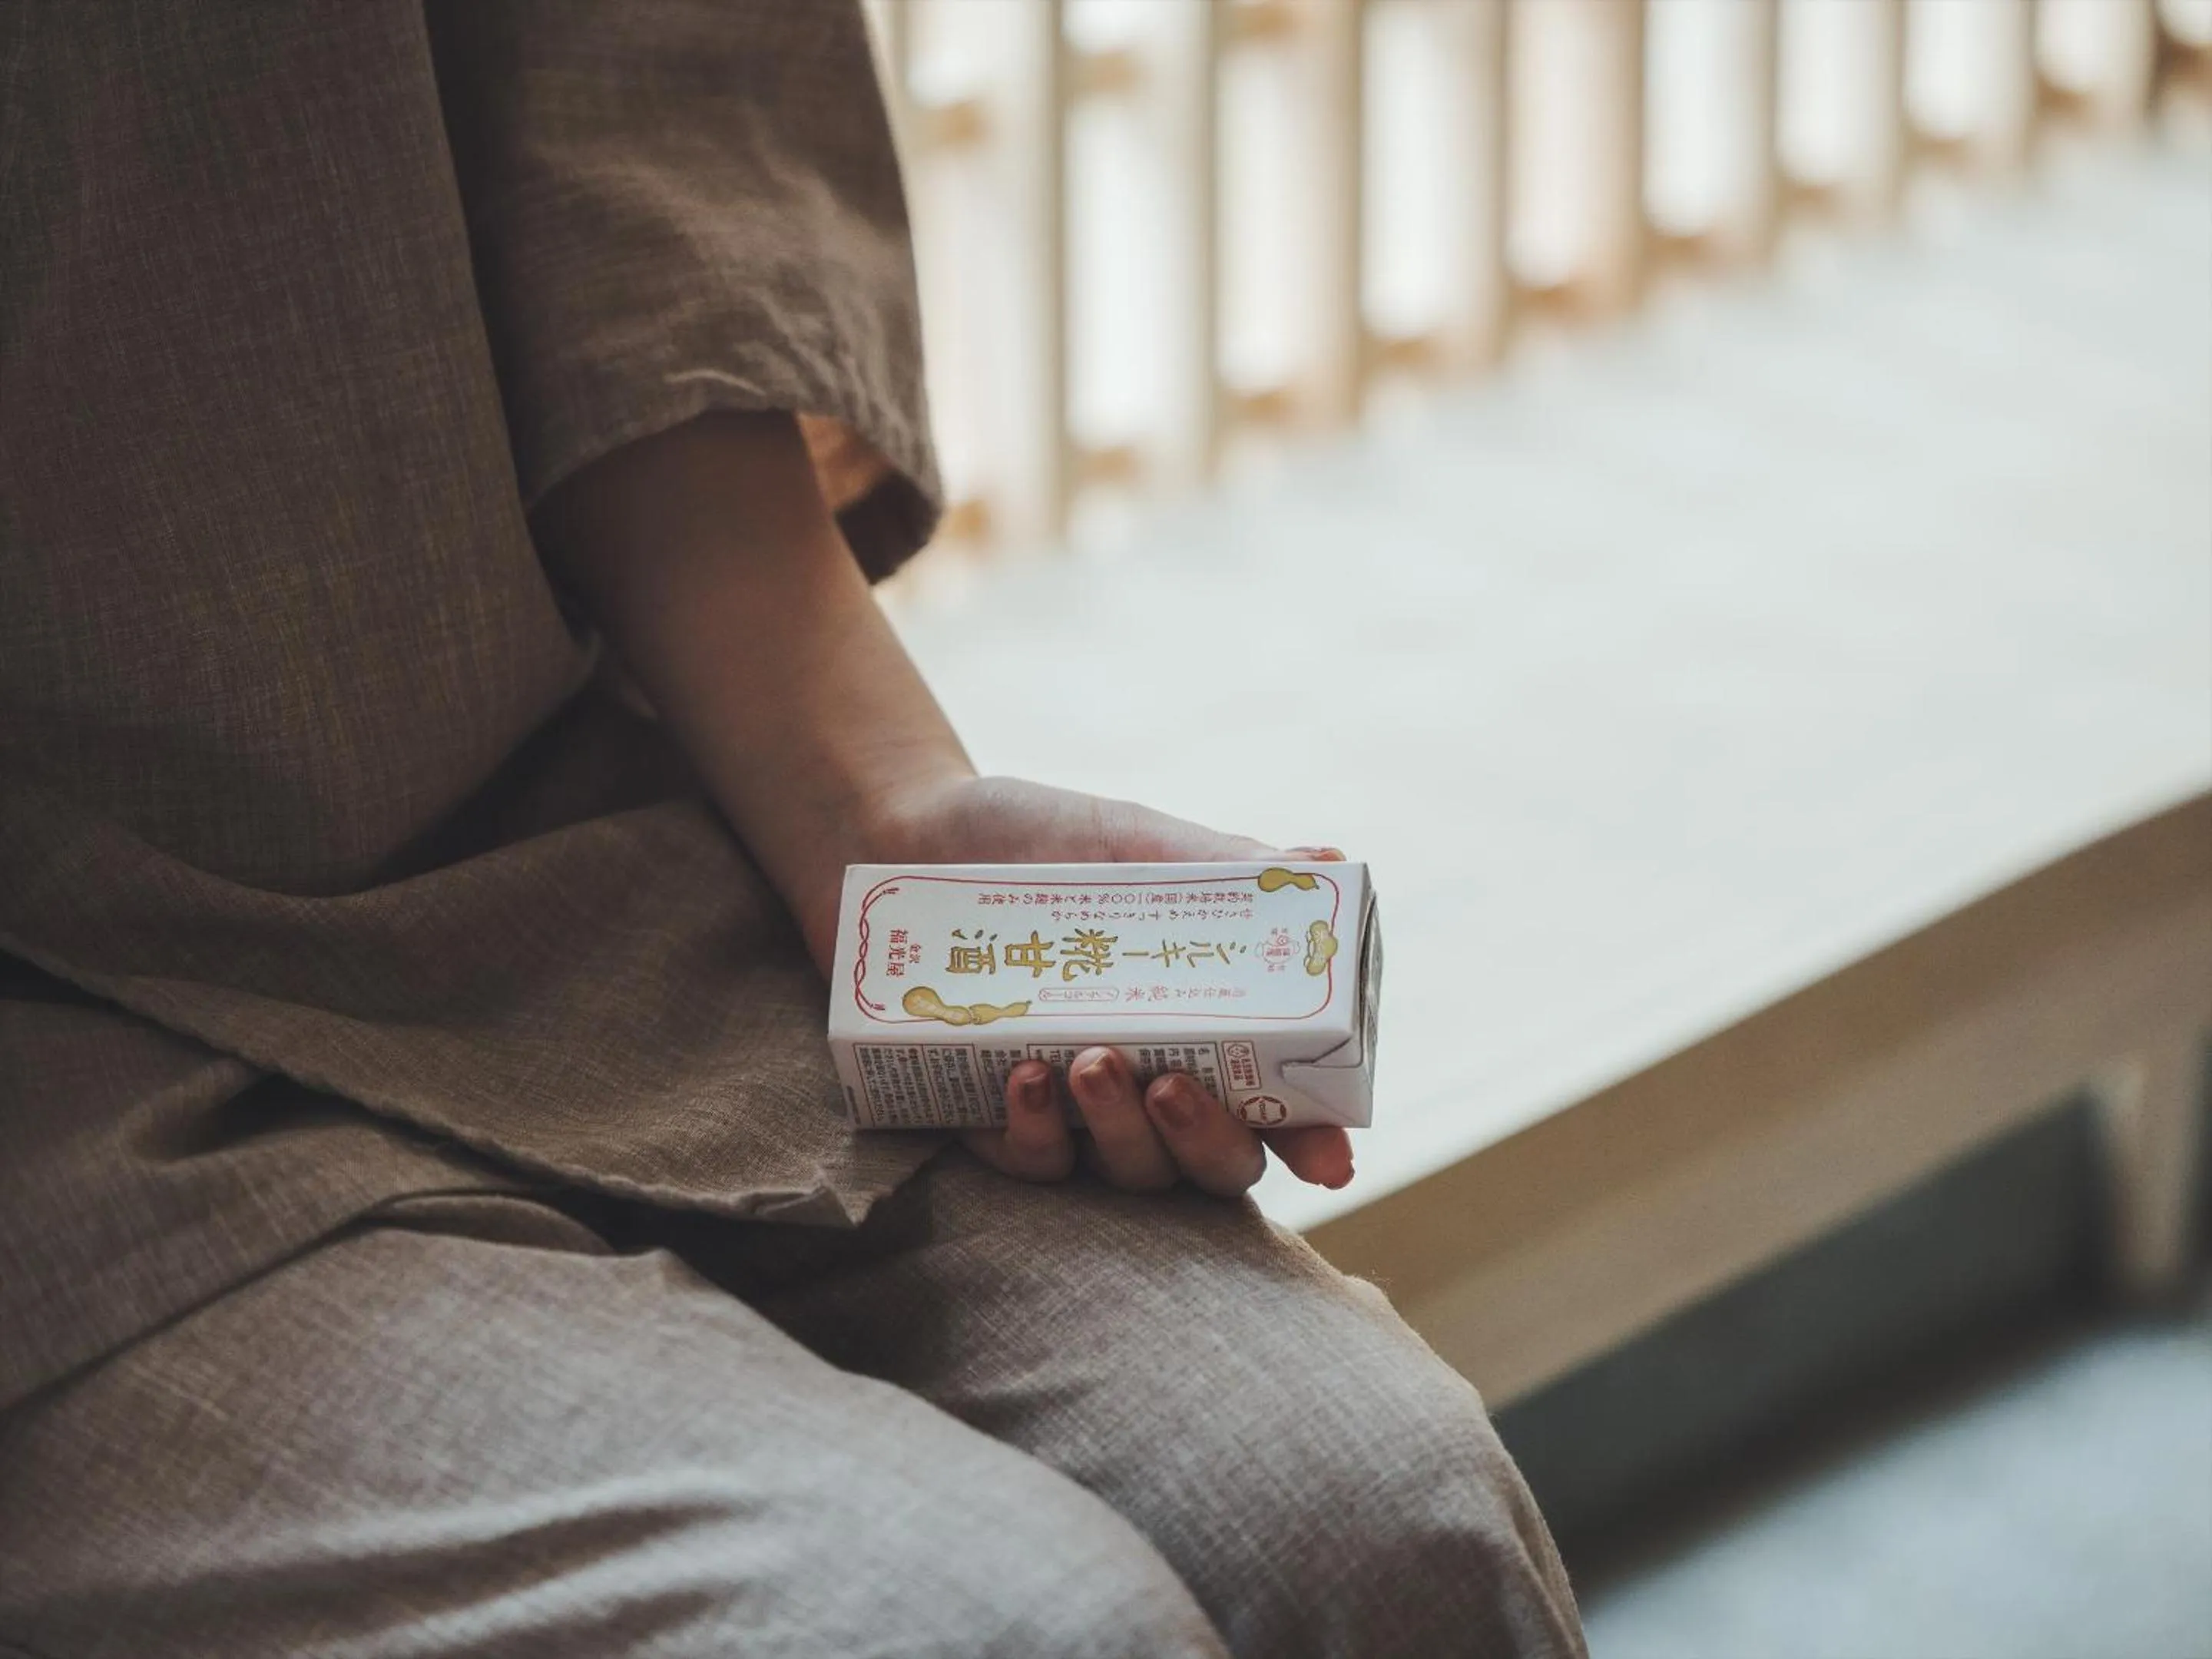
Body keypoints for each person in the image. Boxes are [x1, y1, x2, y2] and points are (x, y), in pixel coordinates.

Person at [0, 4, 1584, 1654]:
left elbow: (627, 127)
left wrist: (874, 810)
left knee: (1369, 1515)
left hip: (531, 884)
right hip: (55, 1121)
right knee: (999, 1630)